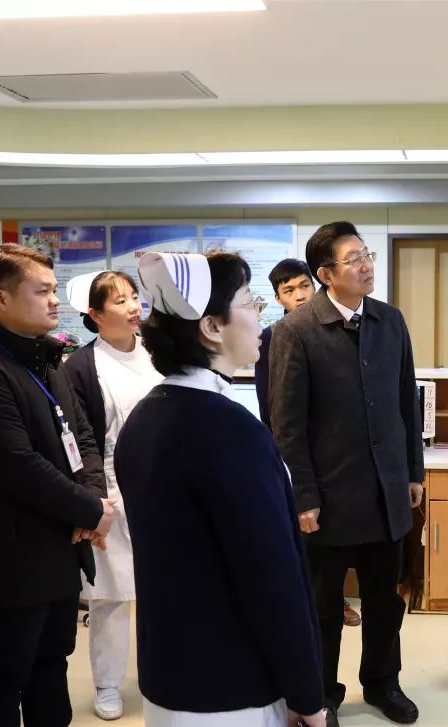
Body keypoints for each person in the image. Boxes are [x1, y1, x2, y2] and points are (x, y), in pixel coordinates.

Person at [113, 251, 326, 727]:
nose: (260, 316)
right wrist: (307, 693)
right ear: (211, 326)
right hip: (235, 685)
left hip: (169, 673)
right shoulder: (230, 431)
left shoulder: (146, 418)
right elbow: (272, 578)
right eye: (250, 302)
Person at [0, 245, 114, 727]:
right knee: (7, 674)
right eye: (42, 291)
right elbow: (17, 465)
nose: (54, 300)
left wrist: (92, 499)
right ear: (0, 298)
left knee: (52, 664)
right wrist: (90, 511)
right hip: (15, 554)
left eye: (54, 290)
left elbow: (82, 436)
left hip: (61, 542)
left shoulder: (46, 359)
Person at [269, 222, 424, 727]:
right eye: (352, 258)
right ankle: (321, 694)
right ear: (325, 273)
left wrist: (413, 471)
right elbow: (286, 424)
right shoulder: (296, 330)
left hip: (386, 491)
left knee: (384, 601)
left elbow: (406, 402)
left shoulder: (389, 320)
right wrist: (303, 497)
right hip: (328, 497)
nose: (366, 265)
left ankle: (382, 683)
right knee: (323, 607)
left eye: (366, 254)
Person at [63, 270, 161, 721]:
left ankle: (163, 673)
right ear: (96, 315)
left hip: (166, 484)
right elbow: (81, 439)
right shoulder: (82, 367)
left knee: (167, 589)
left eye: (134, 296)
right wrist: (93, 501)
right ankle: (107, 684)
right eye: (120, 301)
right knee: (111, 595)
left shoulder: (159, 351)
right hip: (112, 487)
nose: (133, 306)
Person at [254, 258, 363, 629]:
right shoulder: (271, 337)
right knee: (300, 531)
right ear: (278, 298)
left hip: (333, 452)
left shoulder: (334, 328)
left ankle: (334, 599)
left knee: (330, 532)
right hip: (290, 452)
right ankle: (303, 602)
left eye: (304, 286)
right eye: (289, 290)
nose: (299, 295)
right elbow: (269, 405)